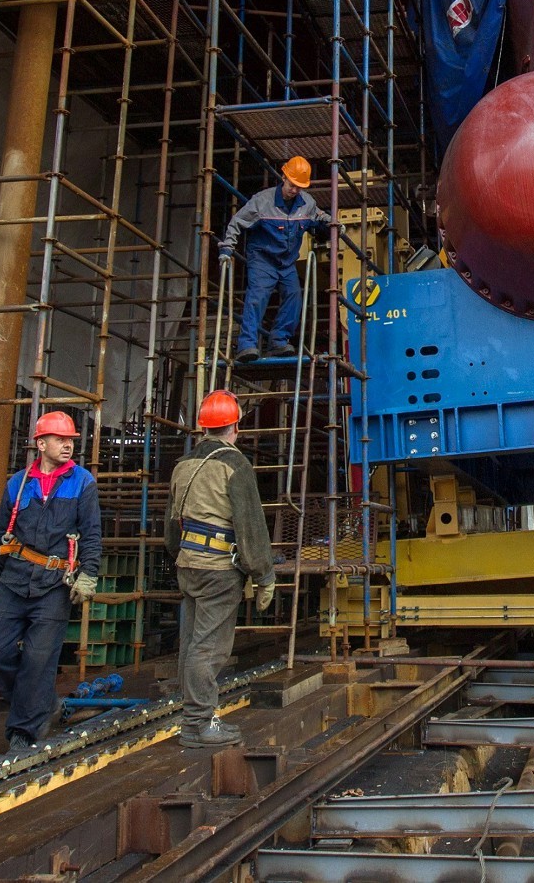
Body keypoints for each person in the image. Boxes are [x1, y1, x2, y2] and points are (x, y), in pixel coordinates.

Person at [0, 410, 103, 753]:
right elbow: (2, 533)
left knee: (38, 659)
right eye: (60, 440)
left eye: (70, 440)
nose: (67, 446)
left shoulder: (82, 482)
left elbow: (91, 534)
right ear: (40, 444)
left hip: (54, 584)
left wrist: (88, 575)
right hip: (14, 579)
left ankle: (23, 732)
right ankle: (39, 702)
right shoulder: (18, 483)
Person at [166, 389, 276, 748]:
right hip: (217, 570)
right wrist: (264, 576)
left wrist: (183, 556)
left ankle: (192, 721)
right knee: (209, 648)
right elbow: (251, 527)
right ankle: (199, 724)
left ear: (203, 428)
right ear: (234, 428)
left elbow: (171, 527)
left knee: (192, 644)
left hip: (188, 565)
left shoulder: (183, 465)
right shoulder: (236, 465)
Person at [219, 155, 331, 363]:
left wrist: (334, 225)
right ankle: (247, 345)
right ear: (283, 176)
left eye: (299, 186)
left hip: (287, 262)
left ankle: (278, 341)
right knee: (257, 298)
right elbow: (237, 222)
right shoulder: (262, 202)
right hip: (263, 259)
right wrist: (226, 248)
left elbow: (319, 217)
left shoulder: (307, 204)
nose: (295, 190)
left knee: (294, 297)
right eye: (292, 184)